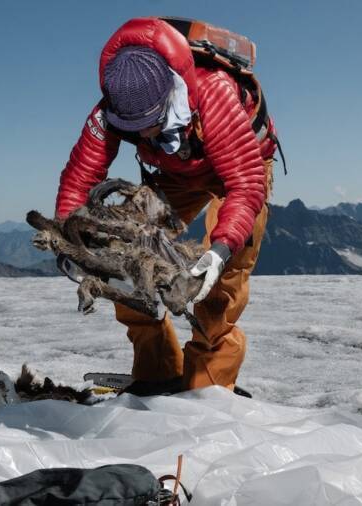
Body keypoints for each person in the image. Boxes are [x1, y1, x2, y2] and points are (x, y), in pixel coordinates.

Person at [54, 17, 277, 395]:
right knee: (125, 258)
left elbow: (245, 184)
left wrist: (220, 251)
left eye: (152, 122)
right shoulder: (109, 110)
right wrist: (70, 241)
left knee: (219, 283)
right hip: (176, 174)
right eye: (134, 126)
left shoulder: (214, 93)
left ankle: (209, 386)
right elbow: (79, 179)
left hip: (240, 172)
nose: (144, 133)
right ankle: (157, 371)